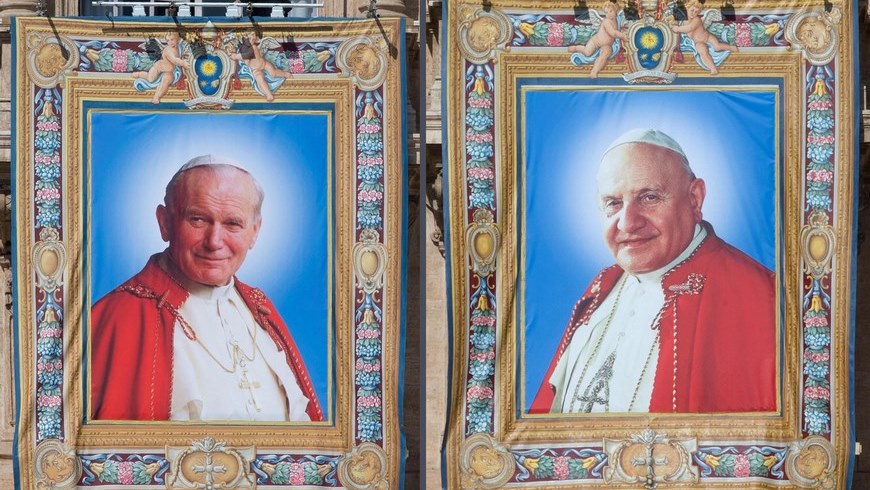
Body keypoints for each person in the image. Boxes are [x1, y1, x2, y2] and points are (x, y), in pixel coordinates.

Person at [530, 129, 776, 414]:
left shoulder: (759, 296)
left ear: (695, 199)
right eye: (613, 203)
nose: (628, 223)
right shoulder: (602, 286)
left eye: (649, 197)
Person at [90, 155, 322, 422]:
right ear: (165, 222)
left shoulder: (260, 307)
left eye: (233, 223)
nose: (214, 242)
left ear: (255, 232)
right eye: (198, 220)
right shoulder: (119, 316)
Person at [671, 0, 738, 75]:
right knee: (703, 52)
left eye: (696, 12)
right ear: (686, 8)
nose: (693, 13)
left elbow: (689, 28)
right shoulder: (682, 21)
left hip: (708, 37)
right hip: (698, 42)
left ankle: (731, 47)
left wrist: (677, 29)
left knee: (717, 46)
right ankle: (712, 68)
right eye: (692, 10)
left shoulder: (696, 20)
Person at [568, 2, 628, 78]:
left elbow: (622, 26)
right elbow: (613, 33)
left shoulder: (617, 20)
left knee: (605, 54)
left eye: (610, 11)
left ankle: (594, 71)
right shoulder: (606, 21)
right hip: (595, 41)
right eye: (606, 12)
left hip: (607, 45)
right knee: (587, 52)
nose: (609, 14)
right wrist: (622, 36)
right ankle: (576, 48)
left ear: (615, 10)